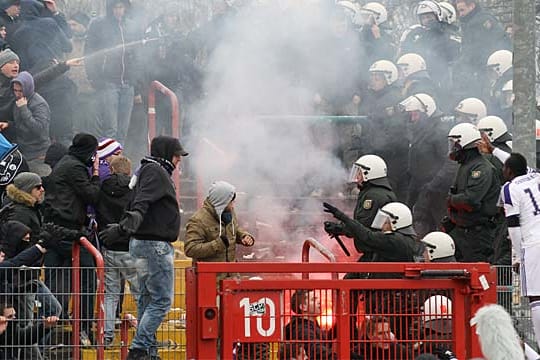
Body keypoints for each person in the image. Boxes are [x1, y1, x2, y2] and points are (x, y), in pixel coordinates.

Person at [99, 136, 187, 360]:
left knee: (146, 299)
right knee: (162, 300)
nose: (179, 160)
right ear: (167, 153)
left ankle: (149, 351)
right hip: (153, 245)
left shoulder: (145, 170)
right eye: (177, 155)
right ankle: (139, 349)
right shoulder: (155, 171)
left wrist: (123, 228)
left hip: (143, 245)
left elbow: (139, 202)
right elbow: (140, 204)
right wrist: (124, 228)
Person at [43, 133, 100, 342]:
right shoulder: (75, 167)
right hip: (69, 233)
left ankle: (48, 336)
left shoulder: (65, 163)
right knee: (87, 280)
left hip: (54, 230)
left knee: (55, 282)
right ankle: (83, 329)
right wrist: (95, 175)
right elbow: (92, 195)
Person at [96, 155, 139, 348]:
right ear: (128, 171)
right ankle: (146, 337)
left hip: (108, 247)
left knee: (111, 293)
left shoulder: (101, 188)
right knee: (140, 292)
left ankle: (106, 337)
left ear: (112, 170)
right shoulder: (134, 190)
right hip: (130, 247)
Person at [399, 93, 456, 237]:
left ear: (427, 112)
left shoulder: (439, 132)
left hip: (436, 191)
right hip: (420, 186)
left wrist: (433, 184)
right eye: (411, 115)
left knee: (435, 224)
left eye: (415, 114)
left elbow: (451, 162)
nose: (412, 118)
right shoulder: (420, 131)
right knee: (419, 221)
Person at [443, 123, 500, 262]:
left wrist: (451, 200)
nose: (452, 148)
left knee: (476, 273)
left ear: (465, 144)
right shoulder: (466, 165)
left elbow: (471, 200)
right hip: (462, 230)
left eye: (454, 143)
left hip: (477, 234)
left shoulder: (481, 168)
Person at [84, 0, 139, 145]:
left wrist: (136, 83)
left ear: (126, 8)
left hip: (128, 84)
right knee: (110, 129)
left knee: (123, 130)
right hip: (108, 83)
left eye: (121, 7)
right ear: (110, 8)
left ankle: (118, 163)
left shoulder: (131, 26)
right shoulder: (99, 25)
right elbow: (89, 52)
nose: (119, 10)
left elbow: (138, 56)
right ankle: (106, 164)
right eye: (115, 7)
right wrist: (94, 78)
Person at [500, 153, 540, 350]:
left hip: (533, 245)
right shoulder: (536, 175)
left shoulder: (509, 189)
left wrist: (518, 255)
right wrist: (493, 150)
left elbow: (513, 226)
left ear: (509, 171)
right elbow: (517, 161)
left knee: (536, 296)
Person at [185, 180, 255, 265]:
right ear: (222, 201)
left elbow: (233, 229)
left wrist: (242, 236)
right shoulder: (198, 220)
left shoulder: (229, 212)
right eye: (230, 201)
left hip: (231, 274)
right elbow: (190, 249)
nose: (233, 204)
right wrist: (218, 244)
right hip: (209, 275)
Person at [454, 0, 510, 98]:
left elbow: (479, 48)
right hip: (482, 67)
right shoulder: (470, 23)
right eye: (459, 11)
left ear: (471, 6)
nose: (461, 14)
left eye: (462, 10)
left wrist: (464, 62)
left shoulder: (480, 22)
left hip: (488, 67)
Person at [10, 71, 50, 175]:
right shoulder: (19, 100)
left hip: (38, 155)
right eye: (15, 90)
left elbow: (39, 129)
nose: (18, 94)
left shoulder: (39, 104)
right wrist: (9, 125)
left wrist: (24, 109)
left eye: (20, 90)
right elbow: (22, 125)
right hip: (24, 152)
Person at [284, 290, 337, 360]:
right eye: (314, 299)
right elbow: (316, 350)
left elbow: (324, 339)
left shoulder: (310, 325)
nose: (319, 302)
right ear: (303, 307)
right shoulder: (301, 329)